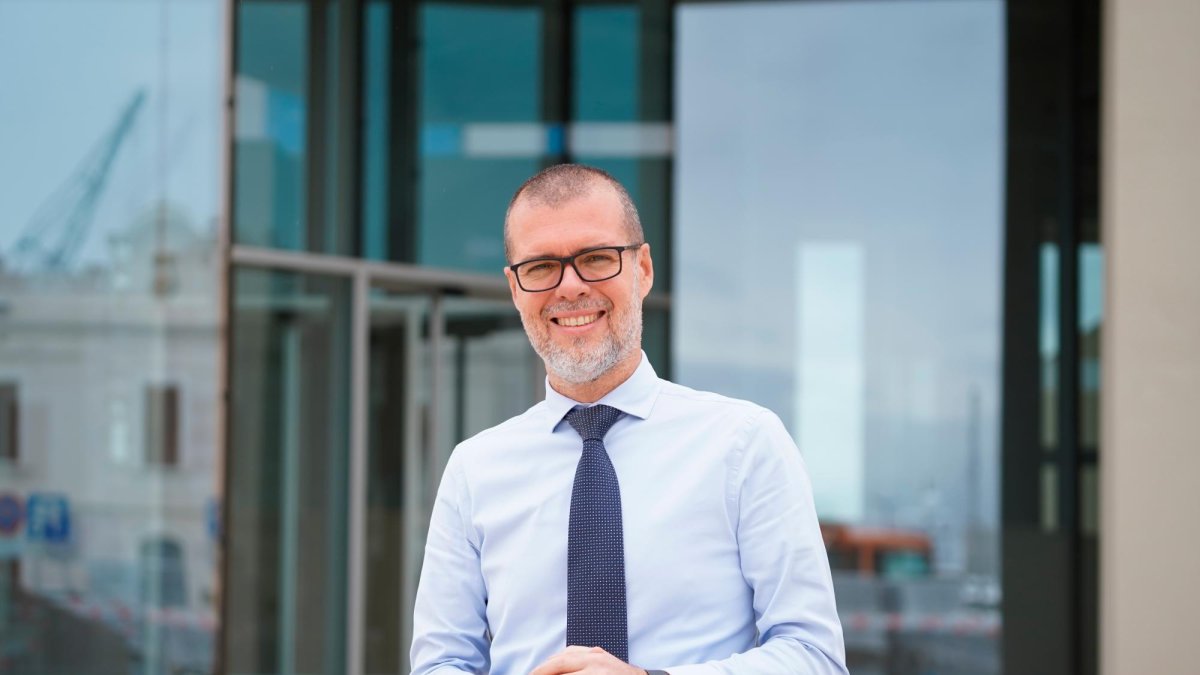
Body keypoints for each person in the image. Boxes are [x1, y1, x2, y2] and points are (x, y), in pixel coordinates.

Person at [410, 164, 847, 675]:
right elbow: (441, 663)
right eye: (541, 267)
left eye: (595, 258)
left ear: (643, 270)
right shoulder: (474, 469)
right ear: (514, 288)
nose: (569, 288)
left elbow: (813, 656)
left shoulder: (745, 445)